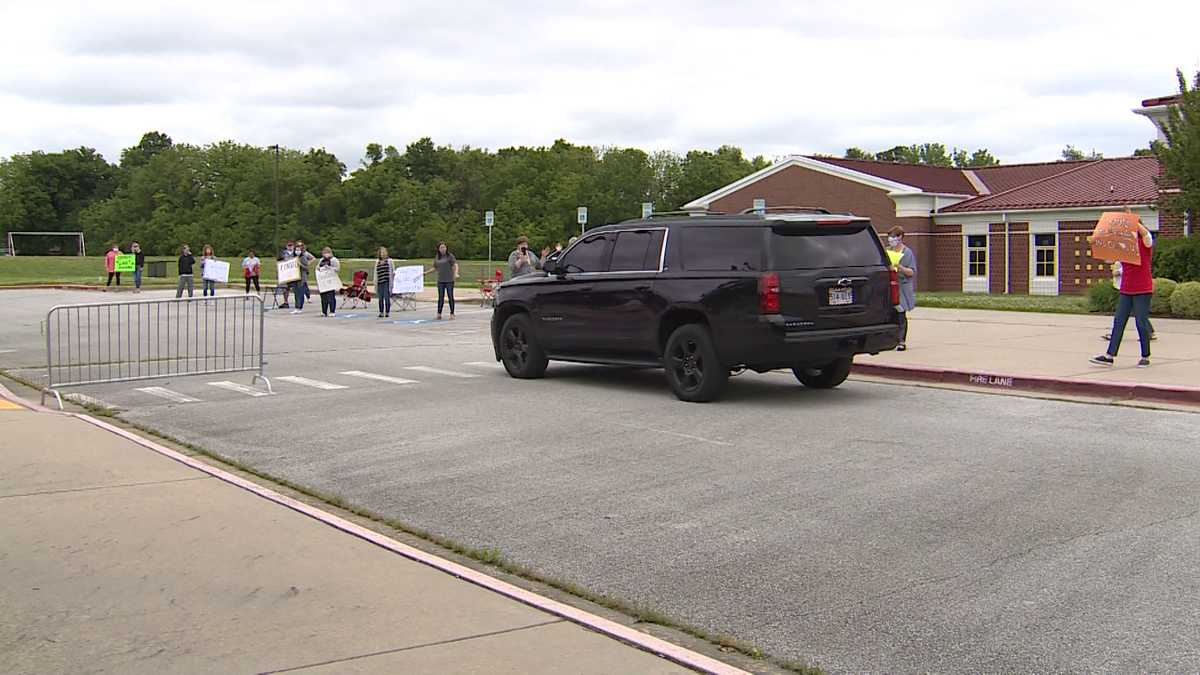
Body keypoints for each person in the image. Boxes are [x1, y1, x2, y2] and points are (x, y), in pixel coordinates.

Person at [1091, 221, 1155, 368]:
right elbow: (1109, 257)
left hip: (1142, 290)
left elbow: (1147, 235)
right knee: (1119, 322)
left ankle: (1145, 356)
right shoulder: (1124, 248)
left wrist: (1132, 220)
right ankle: (1109, 355)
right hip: (1126, 289)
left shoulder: (1143, 245)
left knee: (1141, 322)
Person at [1101, 261, 1156, 342]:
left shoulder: (1126, 258)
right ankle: (1149, 332)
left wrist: (1117, 272)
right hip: (1121, 288)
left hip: (1126, 289)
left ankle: (1148, 332)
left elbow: (1128, 268)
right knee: (1132, 313)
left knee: (1126, 314)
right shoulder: (1119, 258)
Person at [888, 226, 917, 351]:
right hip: (890, 286)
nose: (891, 240)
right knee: (891, 314)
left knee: (901, 313)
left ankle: (901, 341)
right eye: (890, 237)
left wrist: (899, 267)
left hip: (903, 287)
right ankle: (890, 340)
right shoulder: (887, 250)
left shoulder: (907, 252)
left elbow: (911, 272)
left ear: (900, 238)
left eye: (894, 237)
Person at [424, 242, 459, 320]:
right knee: (440, 297)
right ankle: (439, 313)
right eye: (441, 248)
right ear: (438, 249)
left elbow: (455, 265)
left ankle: (452, 313)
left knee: (450, 296)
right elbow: (435, 268)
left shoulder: (450, 256)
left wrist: (455, 274)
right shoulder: (437, 257)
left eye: (444, 247)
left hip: (449, 280)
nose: (443, 249)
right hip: (441, 280)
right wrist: (426, 273)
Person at [290, 241, 315, 314]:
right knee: (296, 293)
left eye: (299, 250)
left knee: (300, 293)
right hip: (294, 277)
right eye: (296, 250)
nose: (297, 251)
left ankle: (299, 307)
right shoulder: (293, 257)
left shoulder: (303, 257)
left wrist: (300, 264)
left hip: (302, 278)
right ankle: (296, 307)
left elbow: (306, 267)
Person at [316, 247, 340, 317]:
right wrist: (319, 268)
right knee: (323, 297)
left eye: (327, 252)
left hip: (330, 280)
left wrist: (330, 268)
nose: (326, 254)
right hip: (323, 281)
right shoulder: (321, 260)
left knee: (331, 296)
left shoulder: (334, 260)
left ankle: (332, 311)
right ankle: (324, 311)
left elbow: (337, 269)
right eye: (324, 253)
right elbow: (317, 267)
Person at [373, 246, 395, 318]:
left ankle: (387, 312)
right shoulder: (377, 262)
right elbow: (375, 272)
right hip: (380, 281)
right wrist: (375, 281)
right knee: (380, 298)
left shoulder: (390, 261)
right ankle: (381, 312)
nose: (383, 254)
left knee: (386, 297)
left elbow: (393, 271)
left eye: (384, 252)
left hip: (387, 281)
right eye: (381, 253)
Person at [277, 240, 295, 308]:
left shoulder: (296, 253)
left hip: (294, 273)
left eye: (291, 245)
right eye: (289, 245)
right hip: (285, 273)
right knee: (285, 288)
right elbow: (279, 261)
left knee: (295, 288)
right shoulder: (283, 253)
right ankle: (286, 302)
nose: (290, 246)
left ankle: (298, 302)